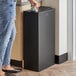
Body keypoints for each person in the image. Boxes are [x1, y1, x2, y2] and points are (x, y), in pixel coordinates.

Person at [0, 0, 40, 76]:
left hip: (9, 4)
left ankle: (5, 64)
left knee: (12, 34)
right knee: (4, 39)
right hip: (7, 4)